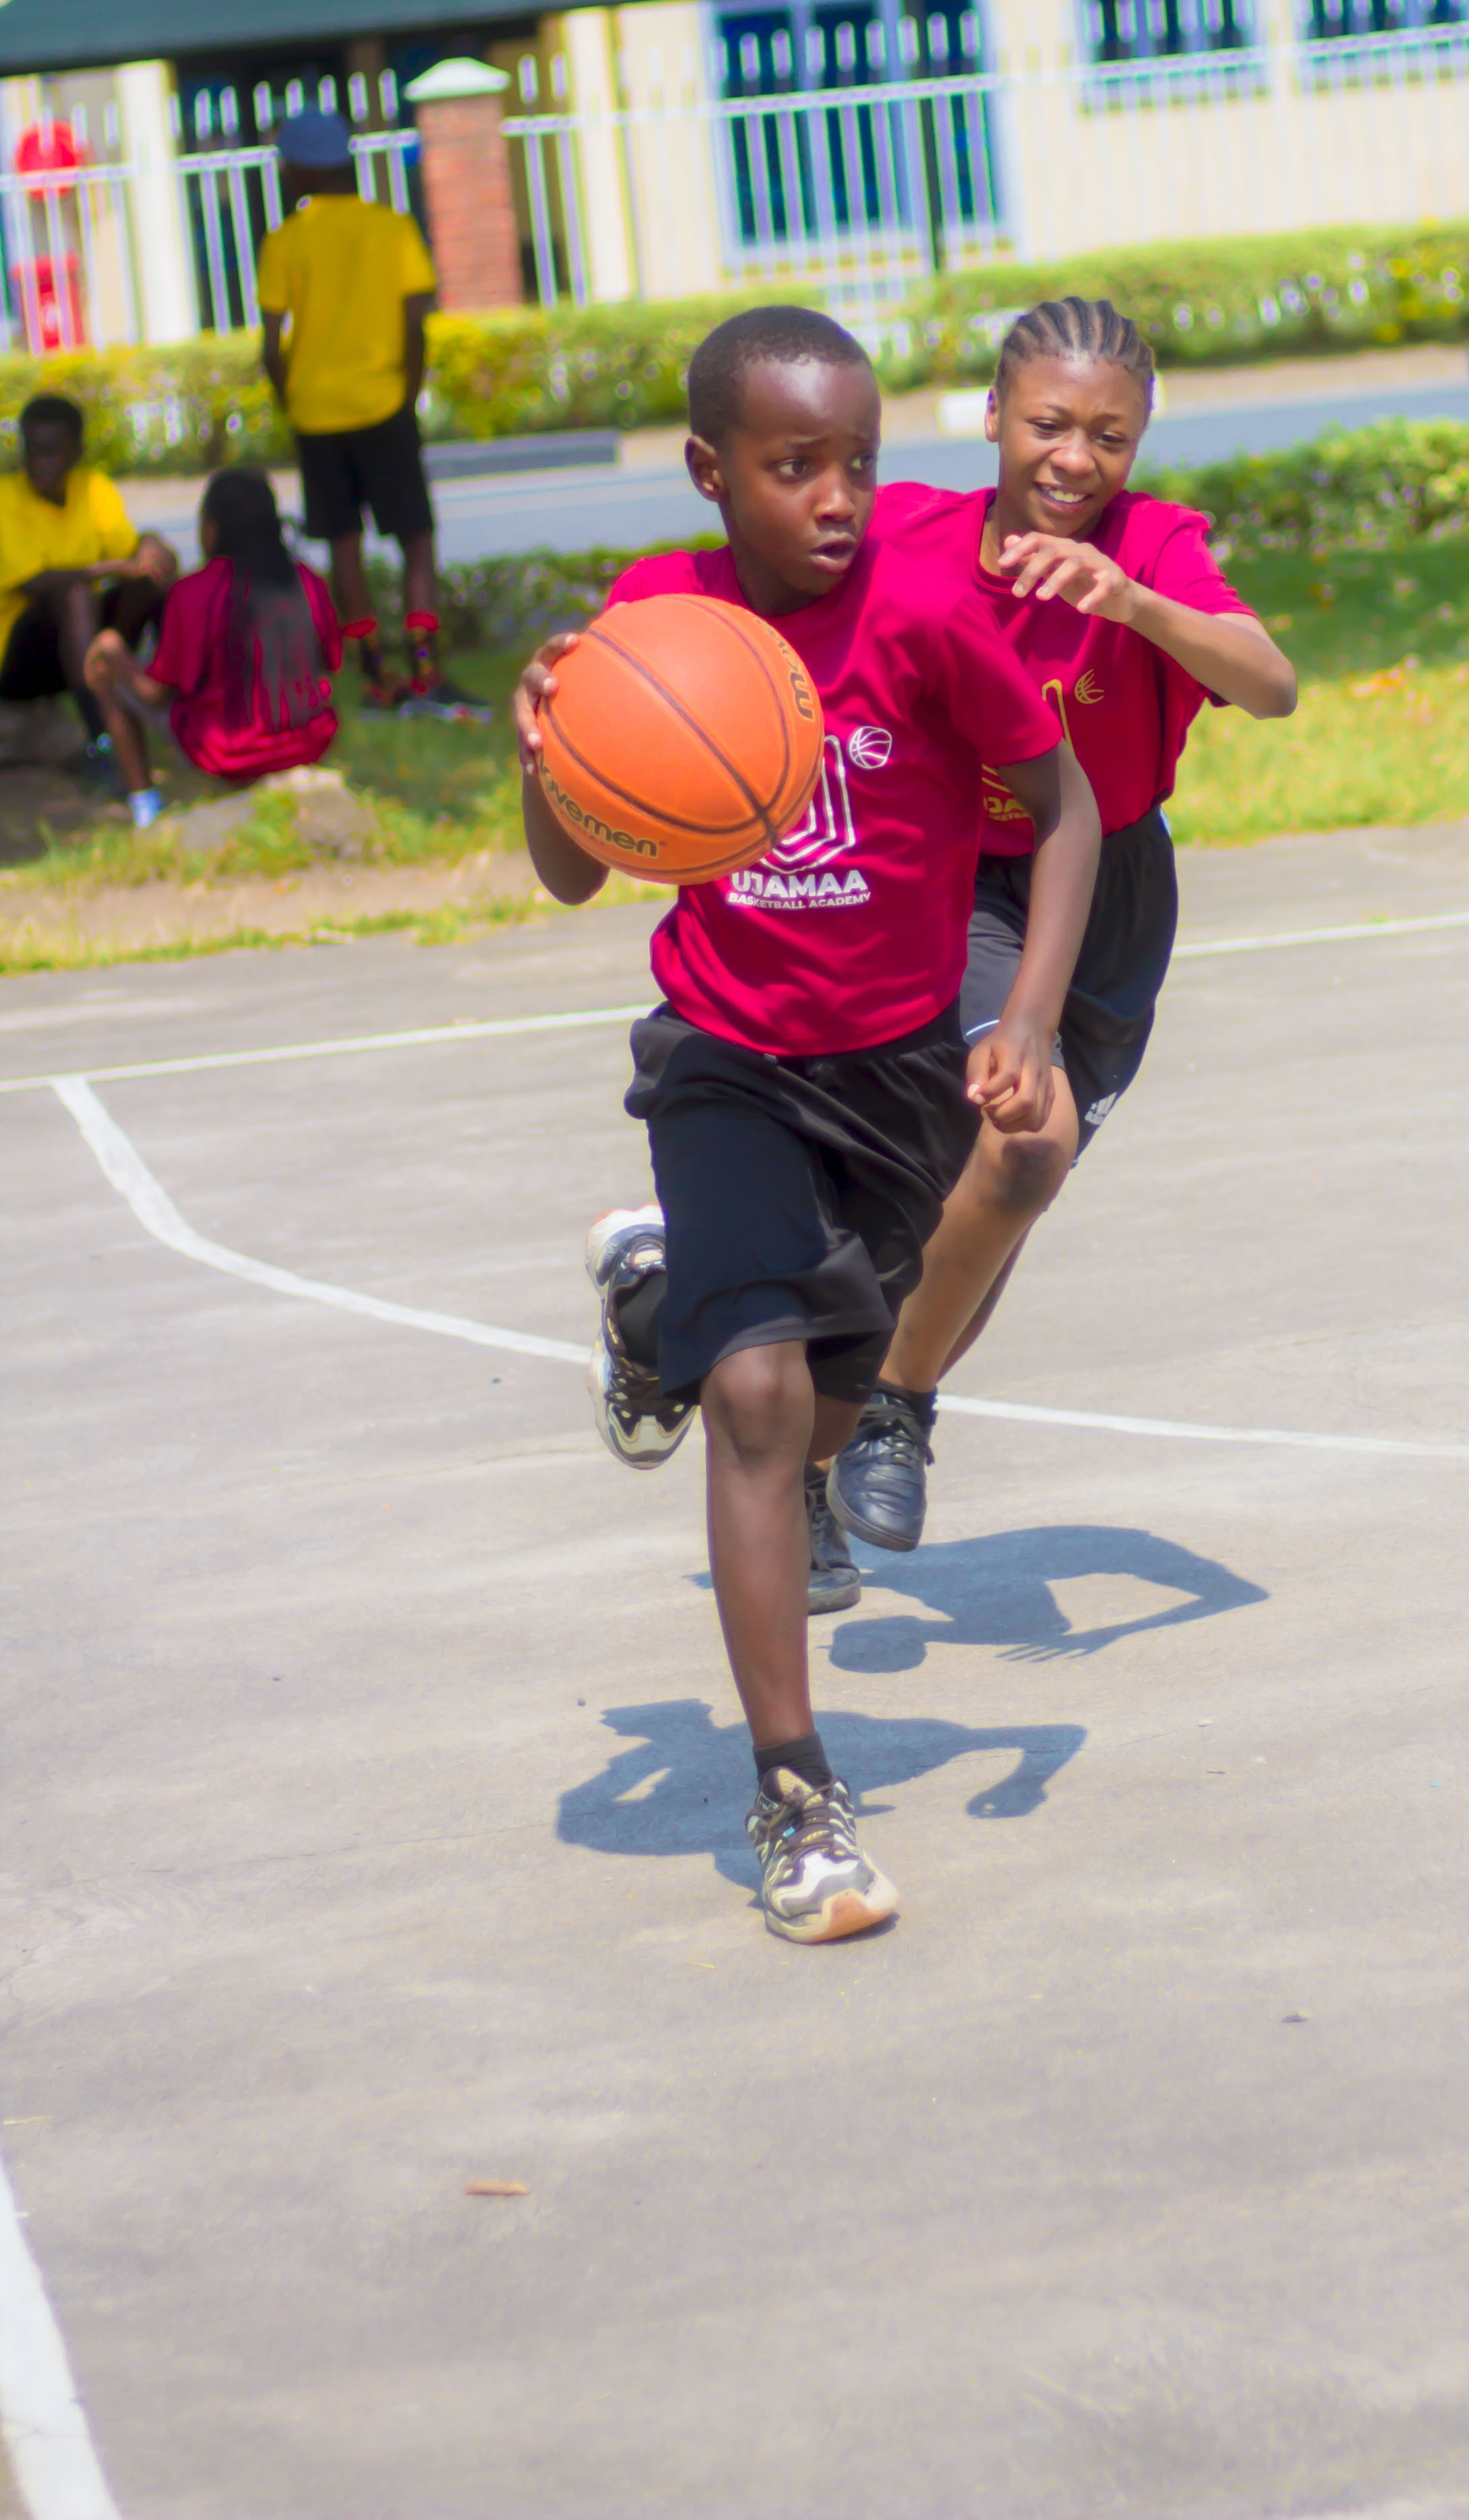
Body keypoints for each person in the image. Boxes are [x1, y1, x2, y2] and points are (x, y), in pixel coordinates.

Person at [514, 304, 1100, 1948]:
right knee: (759, 1403)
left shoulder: (923, 610)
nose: (836, 496)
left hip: (898, 1076)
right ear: (710, 471)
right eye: (793, 467)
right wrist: (540, 750)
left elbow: (1062, 805)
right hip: (726, 1054)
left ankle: (657, 1310)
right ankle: (795, 1794)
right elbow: (570, 874)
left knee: (826, 1413)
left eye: (856, 461)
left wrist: (1026, 1020)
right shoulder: (654, 623)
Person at [827, 294, 1296, 1561]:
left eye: (1110, 436)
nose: (1075, 459)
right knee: (1019, 1145)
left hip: (1112, 901)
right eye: (1047, 424)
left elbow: (1271, 683)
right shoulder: (908, 536)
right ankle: (886, 1414)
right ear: (992, 415)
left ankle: (818, 1449)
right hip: (957, 885)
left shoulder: (1151, 545)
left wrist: (1134, 604)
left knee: (999, 1201)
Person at [254, 105, 477, 717]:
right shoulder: (392, 228)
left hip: (317, 413)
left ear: (302, 170)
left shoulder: (284, 240)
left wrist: (293, 403)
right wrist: (407, 393)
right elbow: (415, 323)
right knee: (416, 539)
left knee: (344, 545)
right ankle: (426, 669)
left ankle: (378, 677)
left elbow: (271, 345)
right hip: (384, 404)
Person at [84, 467, 342, 810]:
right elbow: (331, 664)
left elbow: (155, 695)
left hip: (229, 754)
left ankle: (145, 807)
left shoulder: (194, 591)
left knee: (109, 671)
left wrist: (114, 650)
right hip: (309, 744)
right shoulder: (308, 581)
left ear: (212, 528)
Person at [0, 391, 177, 813]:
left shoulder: (92, 486)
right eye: (33, 451)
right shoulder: (6, 499)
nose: (40, 464)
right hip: (18, 660)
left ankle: (183, 698)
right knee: (74, 593)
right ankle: (103, 740)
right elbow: (35, 582)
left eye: (53, 453)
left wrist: (150, 547)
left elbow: (130, 550)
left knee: (151, 580)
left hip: (79, 644)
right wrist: (112, 567)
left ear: (76, 453)